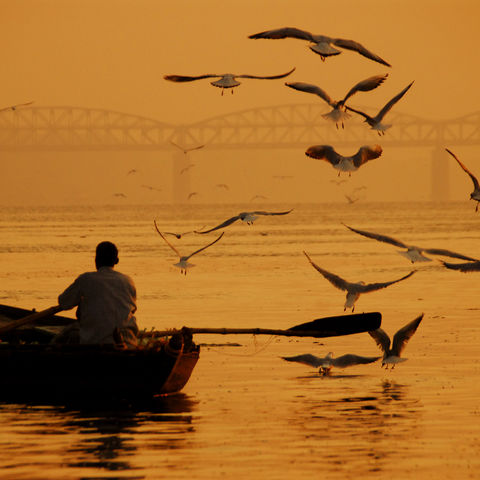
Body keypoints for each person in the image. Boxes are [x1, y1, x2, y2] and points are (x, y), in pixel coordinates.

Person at [56, 241, 138, 347]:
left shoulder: (86, 279)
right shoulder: (128, 281)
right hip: (129, 343)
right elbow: (133, 309)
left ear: (96, 260)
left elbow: (63, 302)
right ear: (116, 260)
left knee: (71, 335)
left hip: (94, 344)